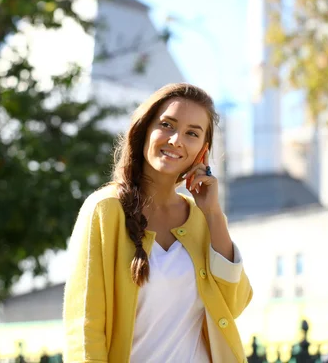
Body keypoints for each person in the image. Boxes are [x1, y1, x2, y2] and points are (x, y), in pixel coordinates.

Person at [63, 83, 253, 363]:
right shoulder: (105, 210)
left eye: (192, 133)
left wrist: (213, 214)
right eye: (167, 124)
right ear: (144, 130)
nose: (176, 140)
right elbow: (84, 328)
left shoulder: (202, 218)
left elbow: (233, 304)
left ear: (203, 150)